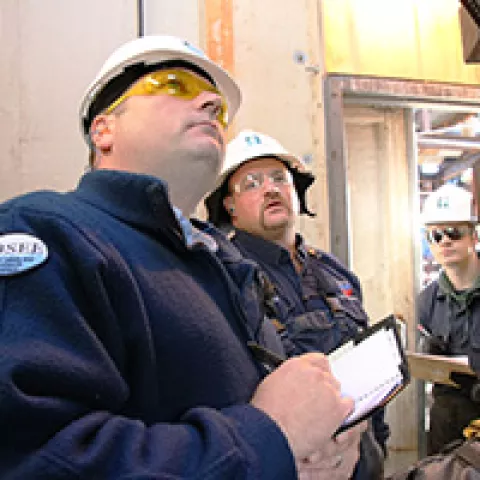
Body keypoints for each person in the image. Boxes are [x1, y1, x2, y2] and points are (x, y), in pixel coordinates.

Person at [0, 35, 363, 479]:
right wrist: (269, 437)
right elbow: (35, 457)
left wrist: (313, 452)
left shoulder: (223, 262)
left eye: (220, 108)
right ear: (104, 130)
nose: (212, 103)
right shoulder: (47, 231)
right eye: (175, 85)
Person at [204, 130, 390, 478]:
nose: (270, 189)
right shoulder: (224, 279)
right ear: (229, 206)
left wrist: (378, 445)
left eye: (279, 178)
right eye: (252, 183)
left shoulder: (336, 273)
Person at [418, 183, 480, 455]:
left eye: (454, 233)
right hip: (448, 428)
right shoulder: (427, 302)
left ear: (473, 236)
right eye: (436, 235)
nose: (445, 241)